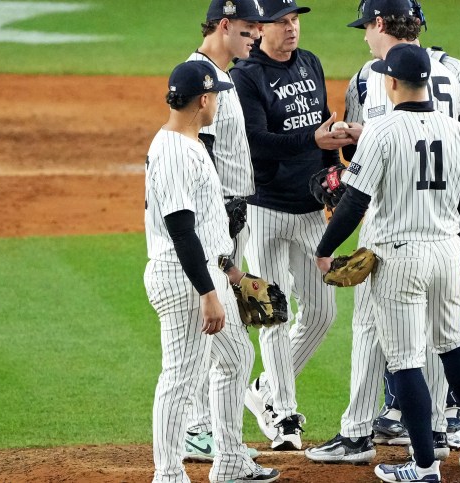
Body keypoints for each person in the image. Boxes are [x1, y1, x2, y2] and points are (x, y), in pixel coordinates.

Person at [304, 0, 460, 464]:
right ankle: (443, 426)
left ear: (379, 23)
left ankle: (360, 433)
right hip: (443, 230)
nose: (364, 35)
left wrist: (361, 141)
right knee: (445, 335)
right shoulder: (456, 70)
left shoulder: (369, 75)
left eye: (366, 26)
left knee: (373, 330)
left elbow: (356, 178)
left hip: (388, 230)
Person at [143, 60, 279, 483]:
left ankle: (231, 459)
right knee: (181, 376)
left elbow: (206, 226)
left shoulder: (191, 143)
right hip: (183, 276)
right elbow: (182, 231)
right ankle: (168, 474)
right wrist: (208, 293)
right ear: (203, 100)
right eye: (216, 95)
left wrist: (233, 275)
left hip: (206, 271)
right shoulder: (172, 151)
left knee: (237, 357)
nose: (219, 101)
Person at [229, 0, 355, 451]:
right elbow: (256, 143)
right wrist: (313, 139)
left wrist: (330, 173)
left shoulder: (310, 64)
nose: (291, 28)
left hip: (306, 209)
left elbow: (321, 127)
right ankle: (283, 414)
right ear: (259, 29)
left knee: (323, 312)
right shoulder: (245, 75)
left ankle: (264, 388)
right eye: (281, 22)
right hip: (263, 207)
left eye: (295, 20)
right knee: (274, 310)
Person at [183, 0, 271, 464]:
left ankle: (204, 431)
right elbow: (203, 158)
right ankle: (197, 431)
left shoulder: (227, 75)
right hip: (216, 225)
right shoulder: (202, 78)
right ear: (223, 25)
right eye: (247, 29)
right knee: (214, 330)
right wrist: (221, 225)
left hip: (231, 222)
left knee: (221, 331)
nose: (256, 36)